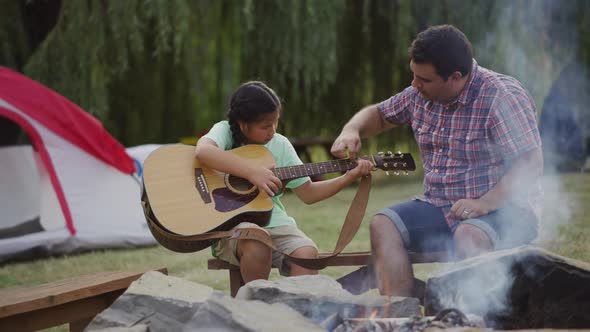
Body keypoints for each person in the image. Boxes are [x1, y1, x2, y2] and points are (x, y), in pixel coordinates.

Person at [331, 25, 543, 298]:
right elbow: (380, 115)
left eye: (424, 79)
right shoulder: (420, 94)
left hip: (505, 210)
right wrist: (352, 129)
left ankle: (472, 318)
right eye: (414, 75)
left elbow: (530, 164)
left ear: (455, 77)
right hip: (440, 206)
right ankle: (401, 313)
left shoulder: (501, 97)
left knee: (469, 235)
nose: (414, 84)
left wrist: (484, 203)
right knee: (383, 225)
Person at [195, 81, 373, 283]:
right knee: (257, 243)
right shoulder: (225, 131)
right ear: (243, 124)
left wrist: (348, 176)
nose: (272, 130)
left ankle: (298, 308)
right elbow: (203, 151)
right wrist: (252, 172)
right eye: (265, 126)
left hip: (274, 222)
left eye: (275, 122)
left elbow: (309, 193)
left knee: (305, 253)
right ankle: (254, 308)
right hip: (231, 225)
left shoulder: (280, 145)